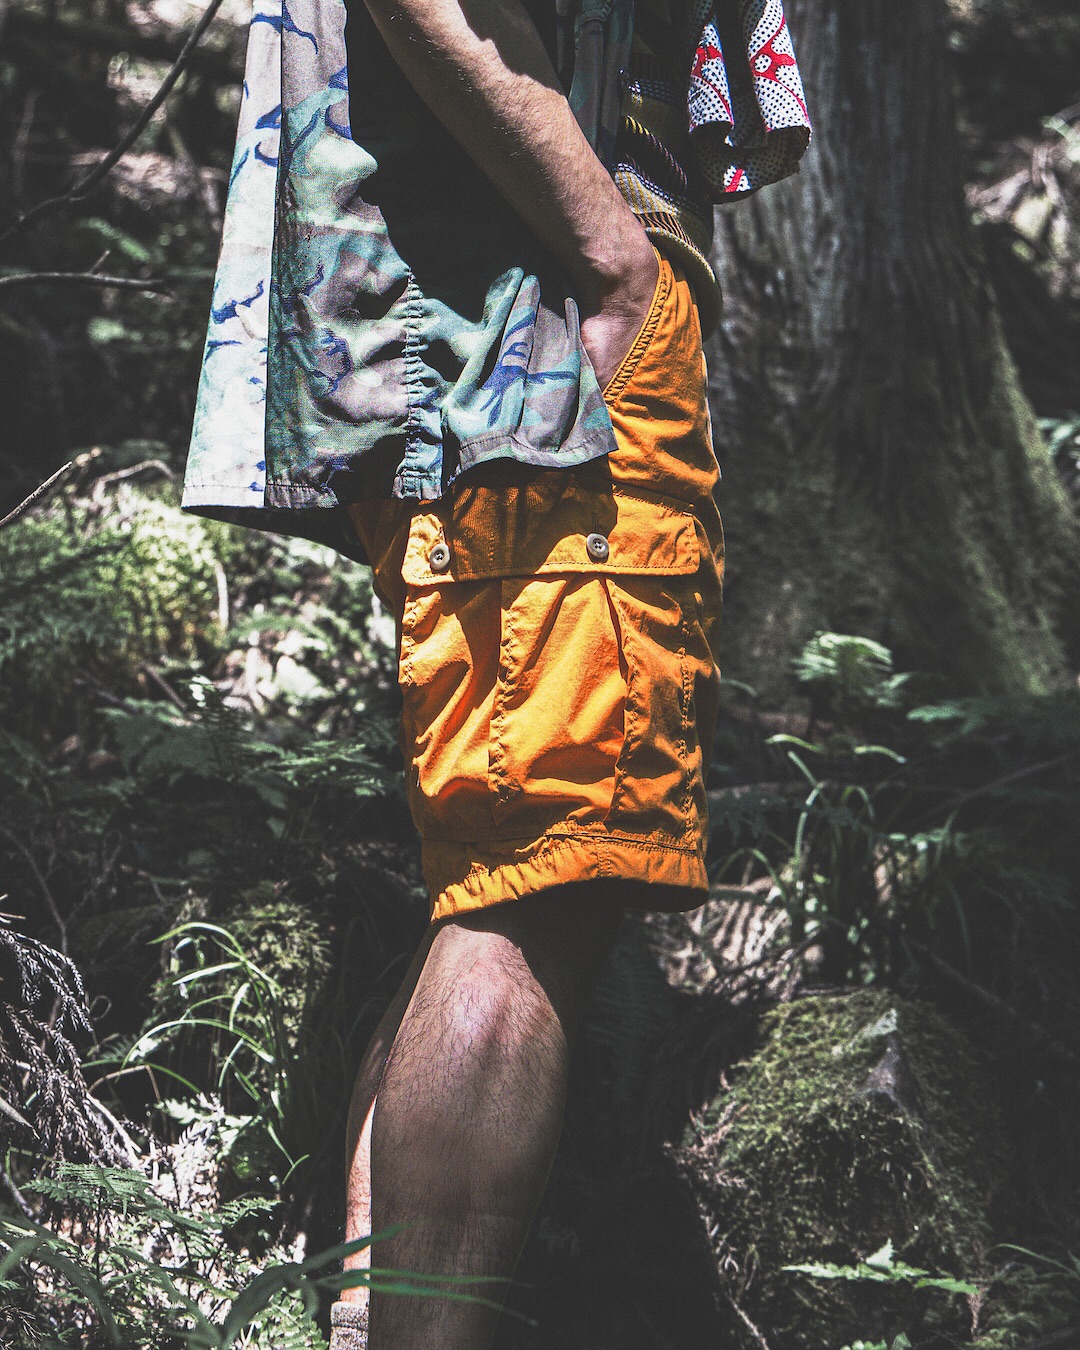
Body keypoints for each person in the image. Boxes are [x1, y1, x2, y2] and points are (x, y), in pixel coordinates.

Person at [181, 0, 809, 1345]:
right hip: (533, 292)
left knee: (505, 874)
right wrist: (611, 252)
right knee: (544, 883)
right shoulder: (582, 264)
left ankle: (367, 1322)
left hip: (486, 288)